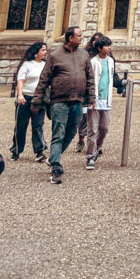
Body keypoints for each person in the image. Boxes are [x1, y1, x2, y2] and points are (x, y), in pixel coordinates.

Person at [31, 25, 95, 185]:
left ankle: (54, 157)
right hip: (59, 101)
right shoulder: (55, 55)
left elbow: (90, 77)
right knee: (58, 134)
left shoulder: (84, 54)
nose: (82, 38)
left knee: (72, 131)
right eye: (79, 36)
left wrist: (92, 97)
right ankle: (56, 169)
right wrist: (36, 100)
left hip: (78, 100)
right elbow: (44, 79)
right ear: (70, 38)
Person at [10, 41, 48, 162]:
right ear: (36, 52)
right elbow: (20, 80)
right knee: (21, 126)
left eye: (46, 50)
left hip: (39, 98)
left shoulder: (45, 65)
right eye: (43, 50)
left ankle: (39, 151)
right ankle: (16, 150)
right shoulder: (27, 64)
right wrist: (20, 95)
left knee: (38, 125)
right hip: (25, 98)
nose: (45, 52)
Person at [85, 34, 114, 170]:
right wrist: (92, 98)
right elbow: (91, 81)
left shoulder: (111, 61)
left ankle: (98, 147)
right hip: (95, 100)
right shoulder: (93, 62)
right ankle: (90, 156)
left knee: (104, 127)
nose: (109, 48)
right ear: (99, 48)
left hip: (106, 99)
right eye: (107, 46)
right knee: (93, 129)